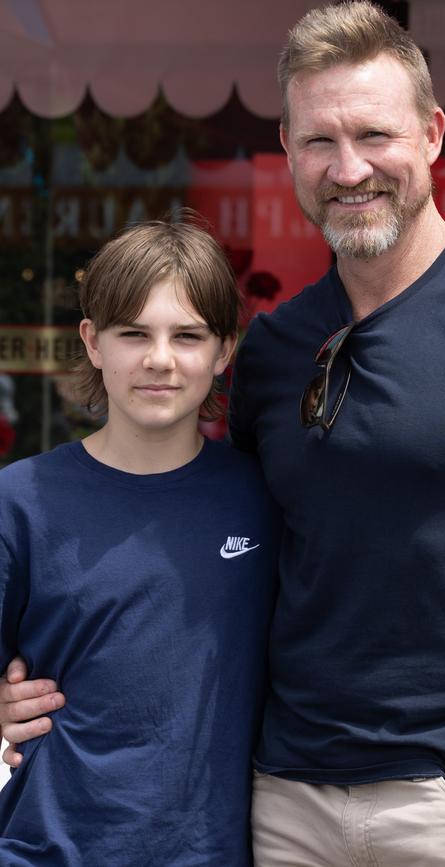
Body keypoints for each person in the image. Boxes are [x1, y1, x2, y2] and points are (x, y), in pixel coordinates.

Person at [2, 2, 445, 865]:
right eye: (319, 142)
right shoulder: (272, 350)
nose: (349, 169)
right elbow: (212, 560)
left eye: (374, 135)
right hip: (281, 807)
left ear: (431, 133)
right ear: (287, 148)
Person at [0, 219, 280, 865]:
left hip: (211, 850)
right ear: (93, 342)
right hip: (47, 847)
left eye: (187, 335)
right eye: (134, 333)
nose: (160, 358)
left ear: (224, 350)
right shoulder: (22, 499)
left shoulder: (265, 500)